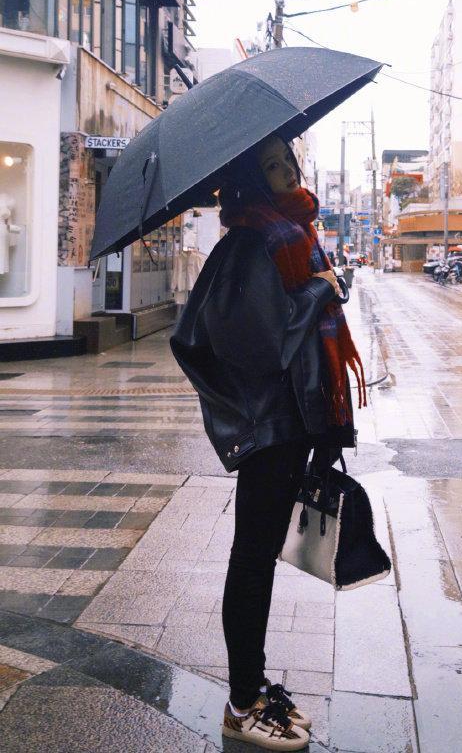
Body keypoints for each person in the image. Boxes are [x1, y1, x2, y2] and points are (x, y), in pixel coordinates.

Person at [171, 135, 365, 751]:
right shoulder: (253, 243)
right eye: (272, 166)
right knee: (252, 558)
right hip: (269, 425)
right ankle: (243, 703)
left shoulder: (289, 234)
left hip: (291, 421)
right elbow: (262, 341)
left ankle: (253, 688)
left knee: (257, 557)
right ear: (253, 180)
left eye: (288, 162)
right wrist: (319, 290)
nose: (286, 173)